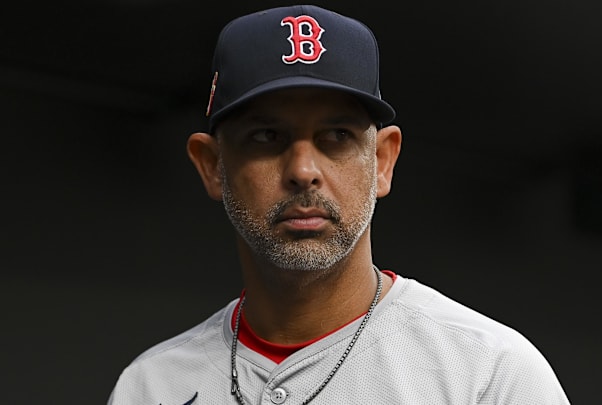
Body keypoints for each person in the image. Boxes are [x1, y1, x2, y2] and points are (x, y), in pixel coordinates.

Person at [107, 4, 571, 405]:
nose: (303, 169)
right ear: (212, 165)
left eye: (337, 136)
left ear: (383, 161)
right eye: (267, 136)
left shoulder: (489, 373)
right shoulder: (151, 386)